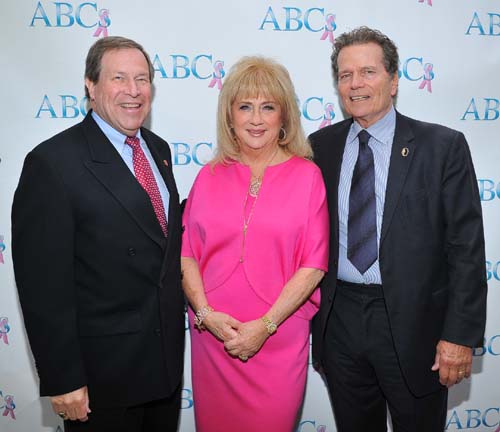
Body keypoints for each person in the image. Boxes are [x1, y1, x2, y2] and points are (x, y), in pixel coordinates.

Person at [309, 26, 487, 431]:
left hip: (415, 325)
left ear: (393, 80)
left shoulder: (442, 147)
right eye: (345, 75)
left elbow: (466, 249)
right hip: (341, 322)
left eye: (368, 72)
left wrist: (459, 335)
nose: (355, 84)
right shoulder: (320, 148)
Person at [11, 36, 184, 432]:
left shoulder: (158, 150)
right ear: (90, 85)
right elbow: (43, 286)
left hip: (164, 370)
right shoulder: (52, 164)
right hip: (101, 379)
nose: (133, 91)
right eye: (119, 78)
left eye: (142, 79)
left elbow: (159, 244)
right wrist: (64, 377)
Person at [181, 56, 329, 431]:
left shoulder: (308, 176)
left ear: (284, 117)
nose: (256, 119)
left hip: (277, 340)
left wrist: (265, 326)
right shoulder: (208, 175)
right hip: (214, 339)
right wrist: (204, 314)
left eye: (268, 107)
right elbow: (186, 256)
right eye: (245, 107)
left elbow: (313, 266)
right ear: (229, 116)